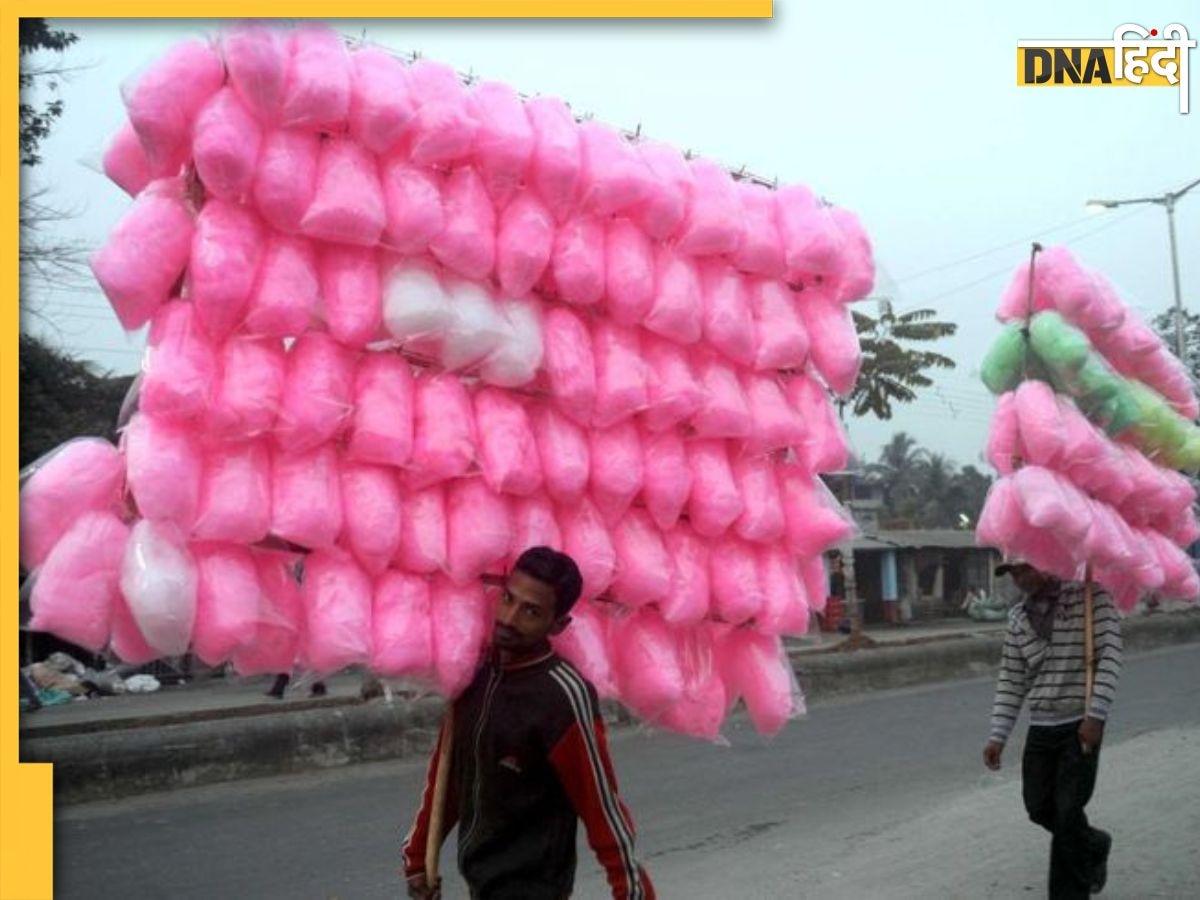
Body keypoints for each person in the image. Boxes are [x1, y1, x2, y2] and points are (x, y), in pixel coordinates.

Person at [401, 546, 655, 900]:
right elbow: (449, 778)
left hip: (534, 889)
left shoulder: (563, 696)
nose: (508, 617)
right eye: (508, 599)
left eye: (530, 611)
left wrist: (633, 893)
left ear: (558, 624)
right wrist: (416, 857)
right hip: (480, 883)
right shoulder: (471, 675)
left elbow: (603, 809)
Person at [982, 559, 1122, 898]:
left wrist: (1096, 715)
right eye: (1013, 573)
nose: (1020, 578)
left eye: (1024, 568)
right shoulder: (1018, 618)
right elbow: (1012, 680)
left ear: (1045, 555)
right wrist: (998, 735)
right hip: (1042, 727)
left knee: (1066, 813)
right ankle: (1093, 843)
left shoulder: (1090, 599)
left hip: (1079, 725)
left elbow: (1110, 657)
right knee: (1039, 807)